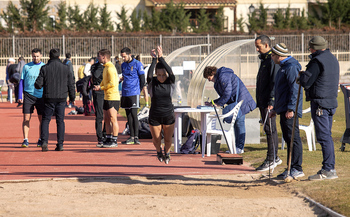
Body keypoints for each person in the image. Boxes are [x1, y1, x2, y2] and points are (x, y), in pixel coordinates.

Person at [299, 36, 340, 181]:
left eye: (310, 47)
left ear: (314, 48)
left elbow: (307, 81)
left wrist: (301, 77)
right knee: (327, 136)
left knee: (324, 137)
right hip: (331, 102)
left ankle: (329, 169)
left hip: (320, 104)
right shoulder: (332, 59)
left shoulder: (317, 61)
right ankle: (329, 168)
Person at [203, 66, 256, 154]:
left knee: (239, 123)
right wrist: (213, 102)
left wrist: (219, 104)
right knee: (236, 123)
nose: (209, 80)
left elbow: (227, 93)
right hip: (238, 100)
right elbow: (224, 95)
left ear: (212, 73)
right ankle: (236, 147)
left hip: (241, 100)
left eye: (209, 78)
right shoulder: (220, 78)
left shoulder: (223, 76)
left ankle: (239, 147)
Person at [270, 43, 304, 179]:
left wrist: (291, 108)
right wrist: (275, 108)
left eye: (272, 55)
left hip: (289, 110)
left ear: (278, 56)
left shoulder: (290, 67)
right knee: (287, 137)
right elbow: (280, 91)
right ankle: (290, 168)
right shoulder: (283, 67)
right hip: (282, 108)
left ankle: (297, 168)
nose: (271, 58)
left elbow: (294, 89)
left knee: (293, 138)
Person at [35, 48, 75, 152]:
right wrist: (72, 97)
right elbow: (71, 84)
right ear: (59, 57)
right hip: (61, 97)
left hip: (48, 97)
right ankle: (60, 144)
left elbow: (38, 85)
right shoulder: (66, 68)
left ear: (49, 57)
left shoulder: (44, 68)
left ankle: (44, 142)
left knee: (46, 120)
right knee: (60, 121)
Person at [254, 35, 282, 171]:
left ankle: (272, 158)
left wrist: (272, 100)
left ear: (266, 45)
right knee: (268, 129)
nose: (257, 50)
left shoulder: (272, 61)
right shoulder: (265, 60)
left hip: (268, 102)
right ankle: (274, 157)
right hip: (262, 100)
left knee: (270, 129)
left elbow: (274, 82)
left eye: (258, 47)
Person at [147, 46, 175, 164]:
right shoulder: (152, 83)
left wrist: (161, 58)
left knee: (168, 140)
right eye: (159, 75)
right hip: (155, 115)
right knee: (157, 139)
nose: (162, 77)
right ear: (156, 74)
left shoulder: (170, 81)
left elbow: (171, 72)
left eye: (164, 75)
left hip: (168, 115)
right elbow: (149, 75)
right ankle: (159, 151)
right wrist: (154, 60)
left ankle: (167, 153)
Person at [17, 49, 45, 148]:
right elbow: (21, 81)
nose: (35, 58)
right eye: (34, 56)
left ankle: (41, 139)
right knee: (26, 118)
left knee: (41, 119)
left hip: (41, 96)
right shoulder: (26, 66)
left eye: (37, 56)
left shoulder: (44, 67)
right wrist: (20, 95)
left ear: (41, 56)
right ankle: (25, 139)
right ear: (31, 56)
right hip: (28, 95)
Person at [93, 49, 120, 148]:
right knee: (107, 119)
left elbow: (113, 83)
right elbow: (104, 82)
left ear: (104, 57)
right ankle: (108, 138)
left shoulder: (110, 68)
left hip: (113, 97)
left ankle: (114, 139)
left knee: (113, 119)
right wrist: (98, 86)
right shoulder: (105, 67)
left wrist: (101, 87)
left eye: (99, 56)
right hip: (106, 96)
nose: (98, 58)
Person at [120, 47, 145, 145]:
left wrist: (139, 90)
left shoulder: (137, 64)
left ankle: (136, 137)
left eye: (124, 56)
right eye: (122, 57)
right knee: (128, 115)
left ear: (129, 55)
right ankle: (131, 137)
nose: (123, 58)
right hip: (125, 92)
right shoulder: (123, 65)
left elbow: (142, 78)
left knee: (134, 115)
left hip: (134, 92)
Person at [91, 54, 106, 147]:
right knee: (99, 115)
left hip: (107, 92)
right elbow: (95, 76)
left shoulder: (109, 66)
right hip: (98, 92)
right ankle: (100, 137)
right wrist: (100, 66)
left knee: (108, 116)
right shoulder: (95, 67)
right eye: (98, 57)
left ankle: (106, 134)